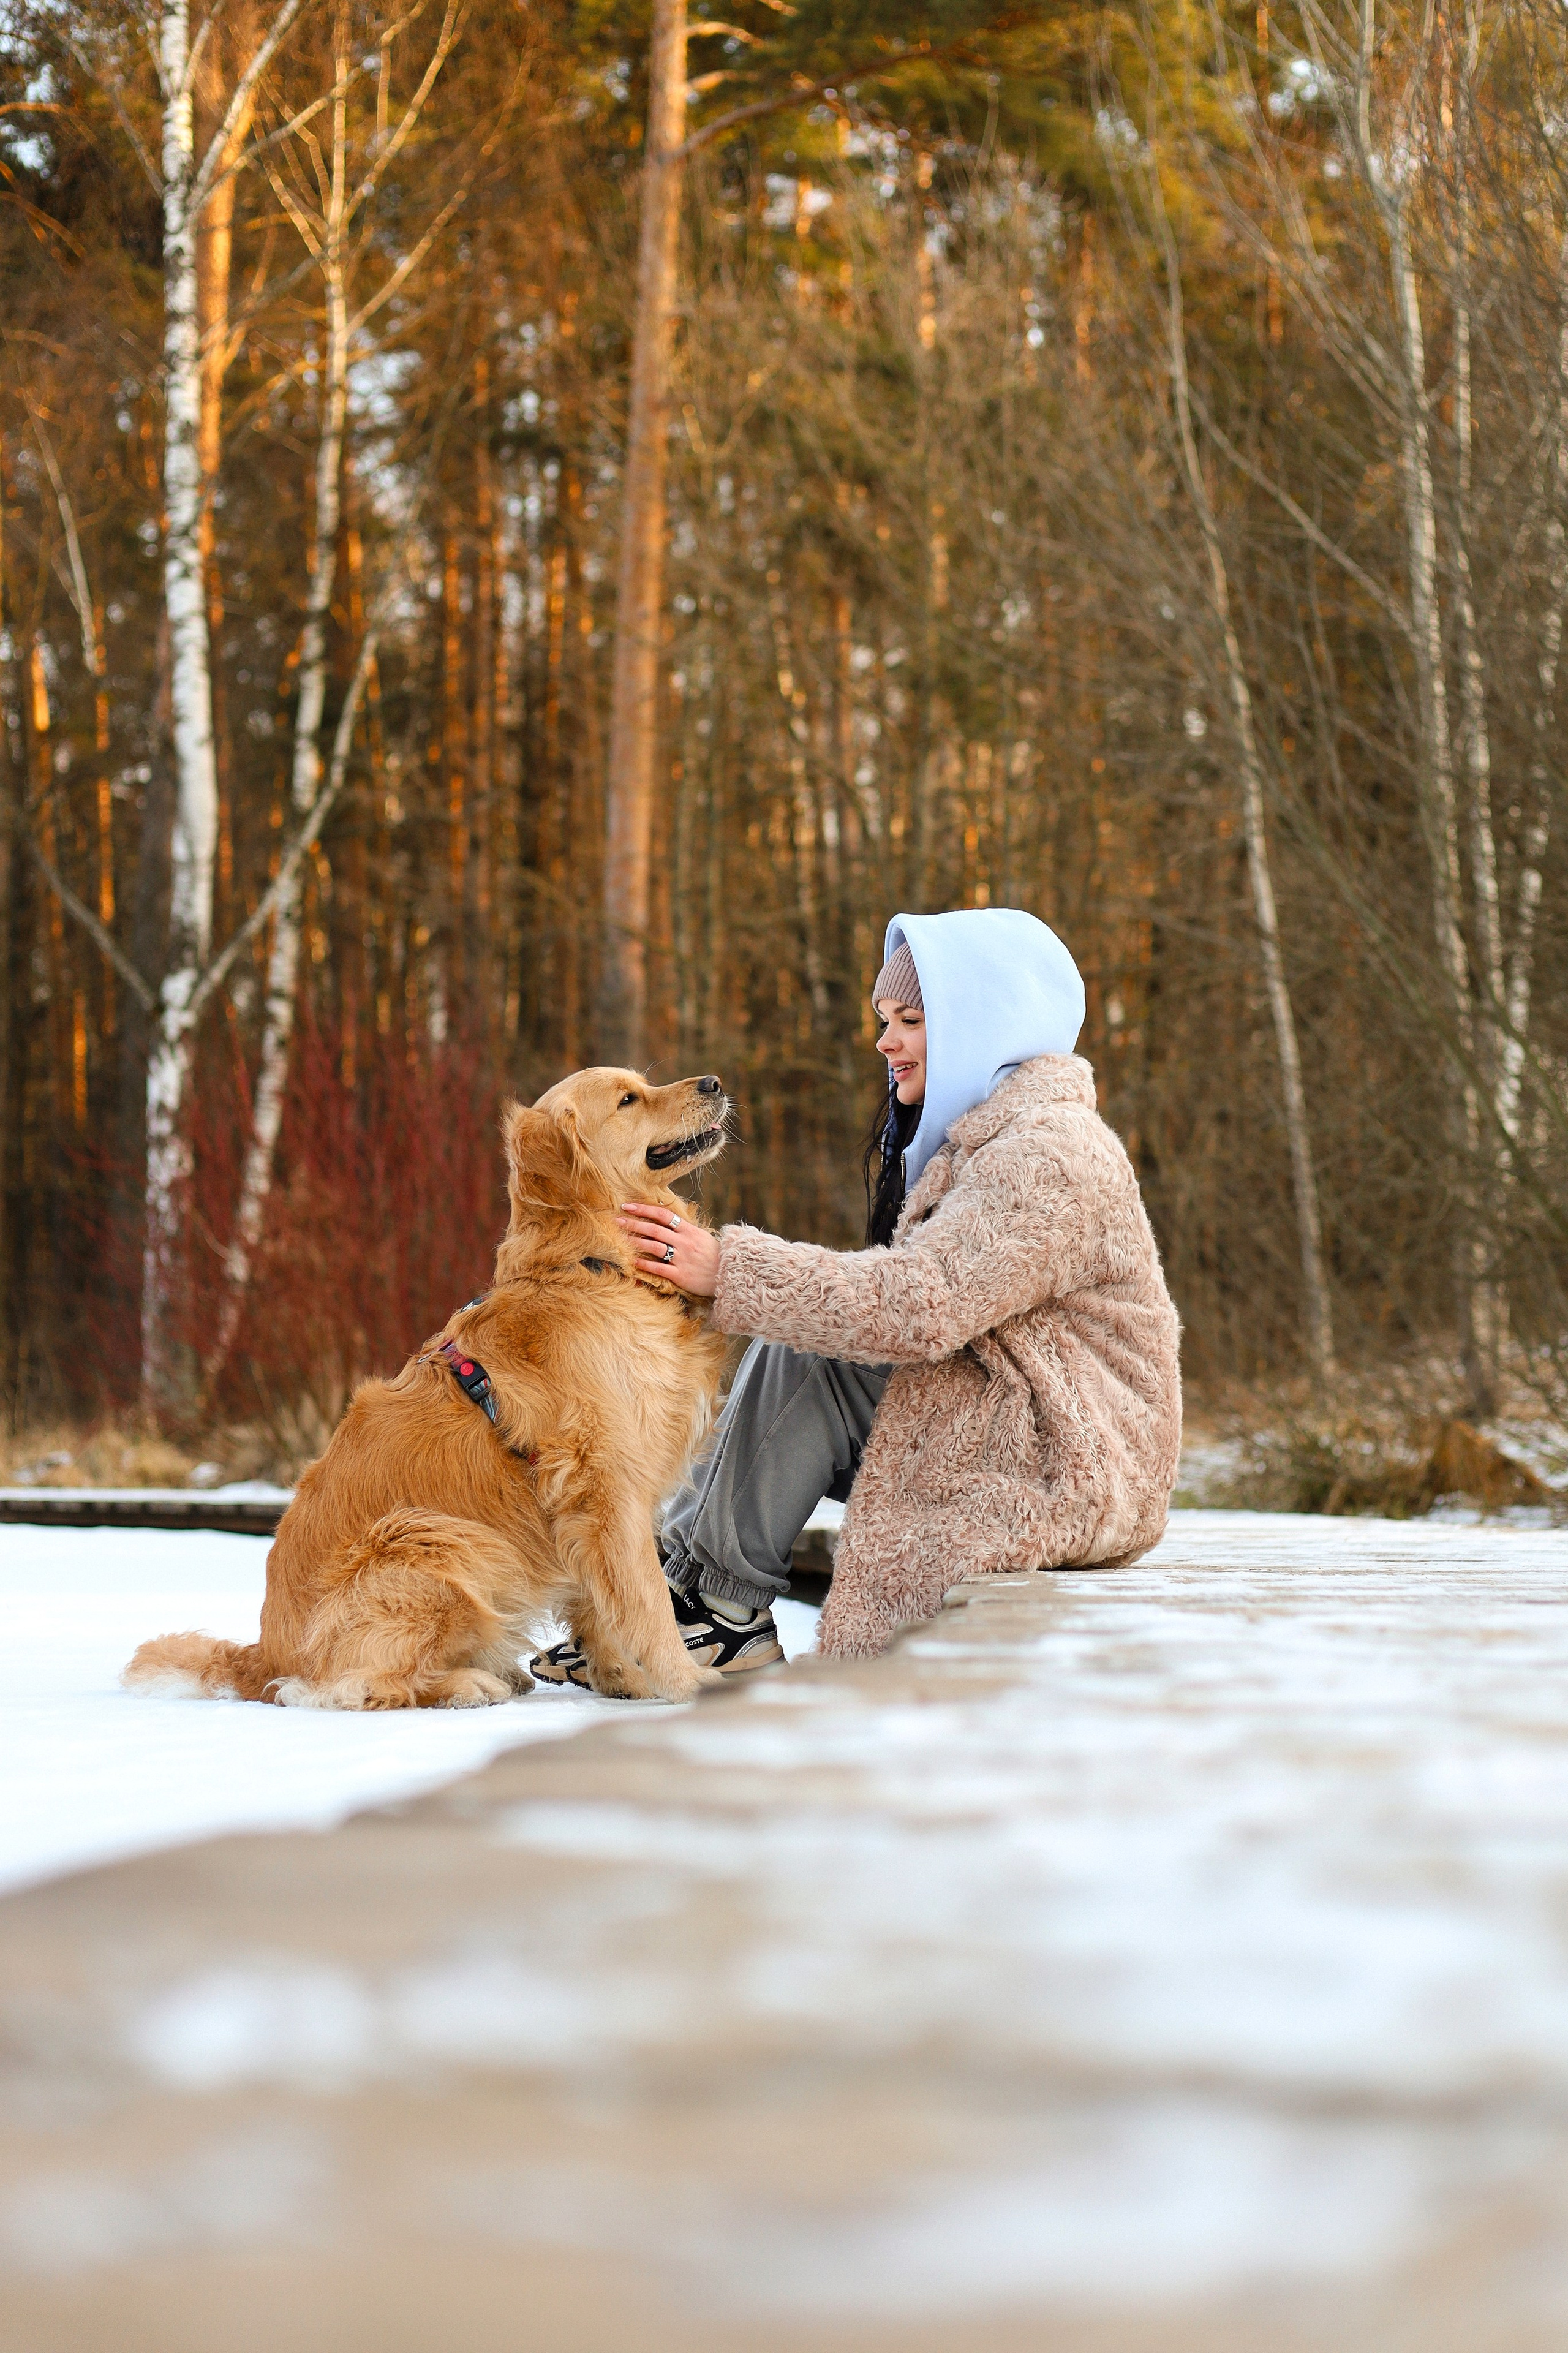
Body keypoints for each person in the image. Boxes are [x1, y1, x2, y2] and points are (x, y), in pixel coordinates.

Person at [533, 907, 1181, 1683]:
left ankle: (720, 1608)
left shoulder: (1048, 1154)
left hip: (1068, 1460)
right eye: (883, 1019)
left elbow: (921, 1305)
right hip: (1015, 1419)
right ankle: (681, 1588)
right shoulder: (984, 1137)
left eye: (911, 1020)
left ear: (984, 1025)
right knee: (803, 1332)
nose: (885, 1041)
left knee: (812, 1347)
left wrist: (727, 1269)